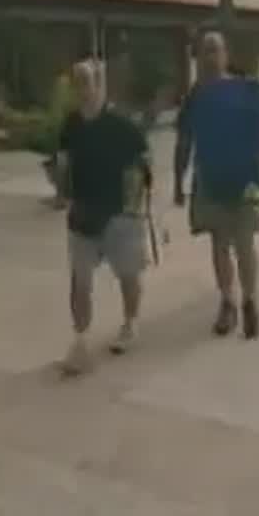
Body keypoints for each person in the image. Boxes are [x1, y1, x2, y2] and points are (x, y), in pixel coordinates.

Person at [174, 32, 259, 340]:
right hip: (210, 179)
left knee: (245, 243)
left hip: (248, 177)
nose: (209, 57)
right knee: (219, 243)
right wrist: (178, 181)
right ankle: (228, 301)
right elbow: (184, 142)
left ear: (225, 54)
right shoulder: (195, 97)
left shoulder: (249, 90)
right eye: (204, 51)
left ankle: (250, 300)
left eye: (215, 50)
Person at [53, 59, 152, 376]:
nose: (82, 89)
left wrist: (136, 203)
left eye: (87, 81)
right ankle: (80, 340)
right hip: (82, 215)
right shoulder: (71, 124)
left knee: (128, 274)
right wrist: (61, 189)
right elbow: (63, 162)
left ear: (99, 85)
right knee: (80, 280)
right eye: (77, 82)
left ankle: (130, 322)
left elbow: (143, 160)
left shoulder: (120, 125)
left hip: (119, 214)